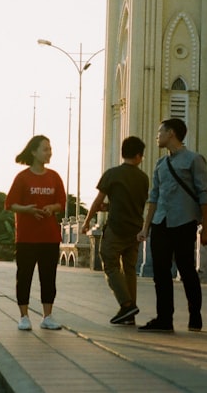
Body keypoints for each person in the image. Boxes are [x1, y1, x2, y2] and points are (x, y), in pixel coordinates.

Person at [137, 118, 207, 332]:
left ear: (171, 133)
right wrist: (146, 227)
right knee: (160, 271)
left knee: (186, 268)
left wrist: (206, 227)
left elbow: (204, 194)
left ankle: (195, 315)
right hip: (161, 222)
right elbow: (154, 197)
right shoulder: (160, 164)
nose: (157, 136)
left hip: (184, 222)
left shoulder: (194, 160)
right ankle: (164, 318)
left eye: (160, 131)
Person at [80, 136, 150, 326]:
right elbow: (134, 203)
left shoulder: (112, 174)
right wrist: (111, 206)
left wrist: (87, 221)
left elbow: (96, 200)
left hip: (116, 229)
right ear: (138, 156)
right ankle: (130, 314)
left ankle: (126, 304)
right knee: (129, 269)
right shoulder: (143, 178)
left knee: (110, 263)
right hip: (135, 229)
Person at [5, 134, 66, 331]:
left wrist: (51, 208)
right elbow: (10, 204)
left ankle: (47, 317)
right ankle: (24, 316)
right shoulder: (22, 177)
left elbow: (61, 203)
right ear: (34, 152)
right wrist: (27, 210)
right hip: (27, 237)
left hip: (49, 237)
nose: (49, 152)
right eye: (45, 149)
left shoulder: (54, 176)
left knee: (48, 277)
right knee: (24, 277)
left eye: (50, 149)